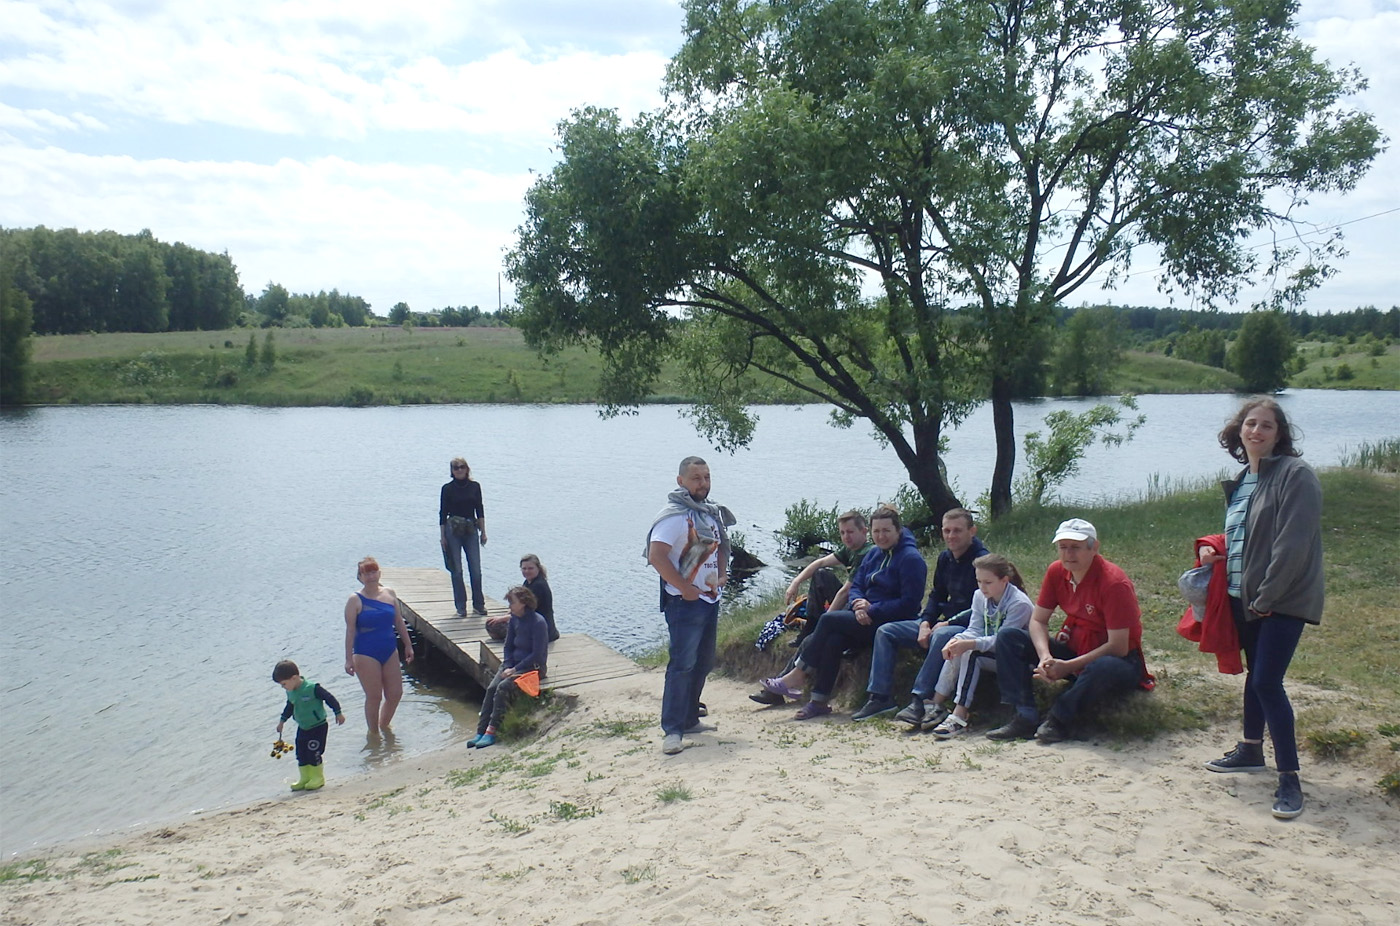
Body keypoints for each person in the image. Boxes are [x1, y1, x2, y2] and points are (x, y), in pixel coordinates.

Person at [1197, 397, 1323, 820]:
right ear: (1239, 432)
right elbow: (1246, 536)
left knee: (1268, 681)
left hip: (1280, 598)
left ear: (1279, 434)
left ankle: (1289, 778)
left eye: (1266, 425)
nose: (1256, 431)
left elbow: (1292, 542)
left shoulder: (1296, 475)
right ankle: (1251, 749)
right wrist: (1215, 553)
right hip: (1243, 596)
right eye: (1250, 424)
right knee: (1257, 676)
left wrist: (1267, 596)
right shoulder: (1245, 477)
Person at [987, 518, 1150, 743]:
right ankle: (1024, 714)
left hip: (1118, 661)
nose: (1068, 554)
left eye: (1076, 547)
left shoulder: (1114, 583)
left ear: (1094, 548)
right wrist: (1046, 656)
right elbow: (1038, 620)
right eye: (1063, 547)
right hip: (1075, 647)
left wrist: (1069, 667)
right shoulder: (1057, 571)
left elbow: (1119, 646)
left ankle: (1058, 720)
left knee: (1102, 667)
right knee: (1009, 637)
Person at [761, 505, 927, 720]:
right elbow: (857, 584)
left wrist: (872, 609)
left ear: (898, 530)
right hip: (864, 616)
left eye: (886, 531)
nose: (881, 536)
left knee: (829, 619)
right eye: (877, 531)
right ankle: (819, 701)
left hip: (891, 621)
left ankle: (799, 674)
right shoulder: (874, 554)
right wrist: (858, 602)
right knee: (834, 640)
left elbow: (910, 603)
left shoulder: (910, 559)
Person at [851, 508, 989, 725]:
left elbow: (982, 607)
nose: (951, 536)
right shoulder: (945, 558)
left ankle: (920, 699)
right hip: (942, 621)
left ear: (972, 531)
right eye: (946, 531)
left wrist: (948, 622)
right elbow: (936, 596)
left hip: (970, 626)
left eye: (957, 531)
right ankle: (880, 697)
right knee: (886, 631)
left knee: (942, 635)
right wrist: (925, 622)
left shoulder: (982, 561)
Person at [646, 456, 734, 756]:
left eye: (707, 477)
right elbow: (655, 556)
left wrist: (722, 575)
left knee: (704, 660)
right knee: (681, 664)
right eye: (696, 478)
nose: (703, 484)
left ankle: (690, 717)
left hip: (709, 598)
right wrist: (685, 589)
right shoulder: (673, 517)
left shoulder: (710, 514)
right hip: (684, 602)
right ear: (681, 481)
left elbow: (722, 546)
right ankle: (672, 730)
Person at [749, 510, 873, 706]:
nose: (846, 537)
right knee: (821, 573)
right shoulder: (851, 550)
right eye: (842, 533)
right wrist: (796, 581)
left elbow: (846, 592)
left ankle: (780, 688)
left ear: (864, 531)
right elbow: (820, 562)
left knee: (811, 640)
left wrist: (828, 620)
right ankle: (810, 628)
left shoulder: (866, 553)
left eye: (850, 532)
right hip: (852, 604)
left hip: (860, 607)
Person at [926, 554, 1033, 738]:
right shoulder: (979, 596)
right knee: (960, 648)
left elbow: (1003, 641)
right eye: (979, 581)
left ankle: (959, 715)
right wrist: (957, 641)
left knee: (971, 653)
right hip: (993, 653)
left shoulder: (1019, 603)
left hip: (1018, 659)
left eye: (988, 582)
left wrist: (970, 644)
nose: (982, 587)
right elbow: (974, 628)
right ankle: (936, 704)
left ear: (1004, 580)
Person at [468, 586, 550, 749]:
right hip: (512, 665)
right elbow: (508, 646)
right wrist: (507, 665)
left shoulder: (538, 622)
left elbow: (537, 654)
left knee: (503, 688)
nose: (509, 606)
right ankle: (481, 730)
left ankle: (492, 731)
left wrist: (515, 669)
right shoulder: (514, 619)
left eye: (512, 602)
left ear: (524, 603)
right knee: (492, 688)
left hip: (532, 667)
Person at [344, 556, 415, 735]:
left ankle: (384, 725)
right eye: (366, 573)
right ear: (360, 577)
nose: (370, 576)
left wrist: (408, 645)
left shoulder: (389, 593)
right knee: (374, 696)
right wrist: (348, 659)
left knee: (395, 693)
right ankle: (373, 733)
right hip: (365, 653)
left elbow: (399, 621)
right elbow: (350, 630)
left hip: (389, 649)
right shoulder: (355, 600)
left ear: (379, 573)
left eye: (373, 571)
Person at [273, 659, 345, 792]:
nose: (283, 687)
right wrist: (282, 721)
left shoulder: (312, 688)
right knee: (301, 753)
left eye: (284, 684)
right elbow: (289, 706)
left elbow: (329, 698)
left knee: (314, 752)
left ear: (294, 678)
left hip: (318, 727)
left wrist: (338, 713)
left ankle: (317, 778)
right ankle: (305, 778)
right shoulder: (291, 692)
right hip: (303, 727)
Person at [440, 457, 488, 617]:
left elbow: (479, 509)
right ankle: (461, 606)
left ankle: (478, 604)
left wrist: (483, 531)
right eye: (455, 467)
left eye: (462, 467)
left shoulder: (475, 486)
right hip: (452, 531)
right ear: (452, 471)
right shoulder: (447, 488)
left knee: (476, 570)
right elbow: (442, 513)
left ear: (467, 469)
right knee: (457, 571)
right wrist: (442, 537)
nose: (459, 470)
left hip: (471, 530)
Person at [519, 553, 559, 642]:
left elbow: (526, 611)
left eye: (530, 568)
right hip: (533, 625)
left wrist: (504, 618)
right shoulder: (528, 582)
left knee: (497, 627)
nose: (527, 571)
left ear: (538, 568)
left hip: (543, 631)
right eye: (524, 568)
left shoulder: (539, 586)